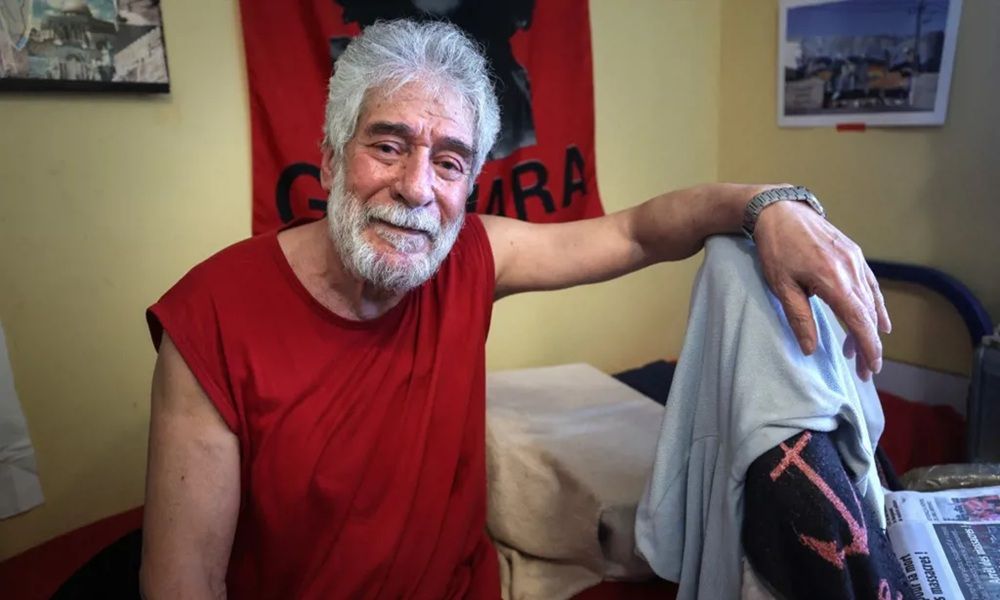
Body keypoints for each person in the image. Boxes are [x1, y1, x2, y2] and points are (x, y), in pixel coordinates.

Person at [139, 19, 890, 600]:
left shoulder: (472, 256)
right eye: (388, 147)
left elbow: (637, 232)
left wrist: (770, 206)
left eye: (449, 162)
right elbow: (183, 583)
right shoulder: (213, 316)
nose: (417, 188)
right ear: (332, 159)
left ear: (469, 185)